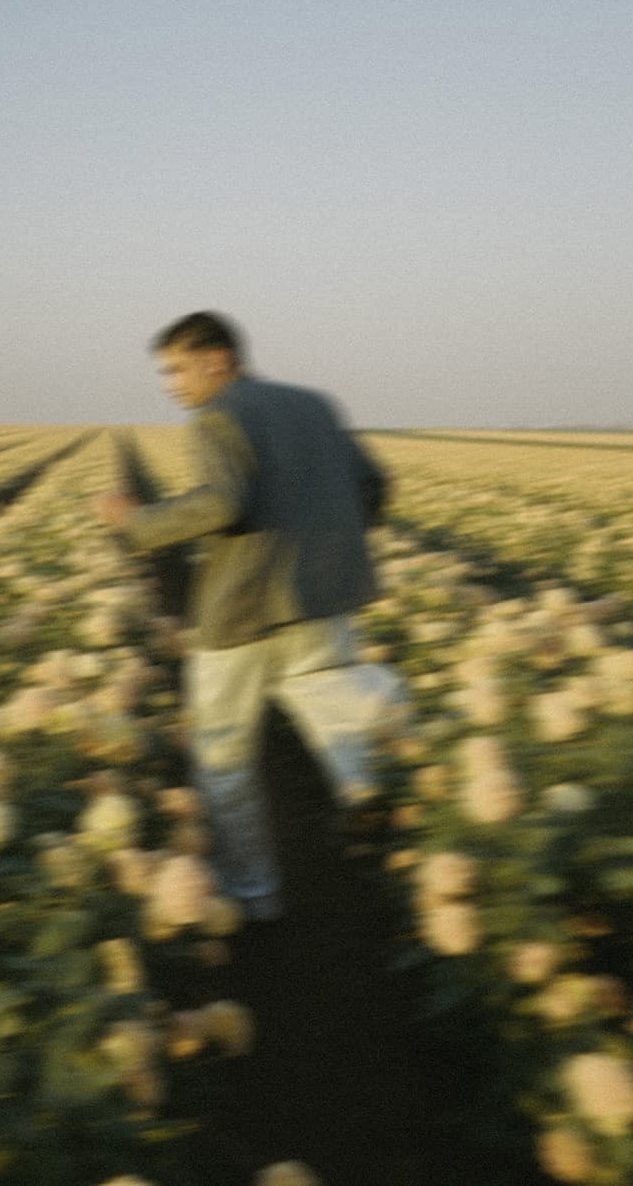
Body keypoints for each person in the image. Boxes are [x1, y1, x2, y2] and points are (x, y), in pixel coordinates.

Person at [94, 311, 406, 920]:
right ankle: (367, 793)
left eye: (178, 369)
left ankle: (253, 893)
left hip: (239, 615)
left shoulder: (219, 415)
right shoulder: (316, 406)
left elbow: (221, 503)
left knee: (223, 760)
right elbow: (374, 484)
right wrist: (322, 541)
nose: (171, 385)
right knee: (331, 705)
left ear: (218, 360)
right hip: (319, 603)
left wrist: (133, 522)